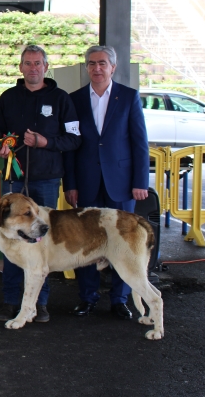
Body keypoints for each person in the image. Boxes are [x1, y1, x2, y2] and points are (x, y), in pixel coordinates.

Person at [0, 45, 81, 323]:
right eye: (27, 63)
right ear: (20, 67)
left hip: (46, 180)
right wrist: (0, 145)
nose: (33, 68)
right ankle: (10, 301)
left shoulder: (61, 98)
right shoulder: (8, 97)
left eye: (37, 63)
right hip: (14, 180)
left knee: (42, 244)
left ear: (46, 67)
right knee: (11, 242)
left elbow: (74, 139)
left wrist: (45, 142)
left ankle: (39, 304)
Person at [63, 45, 150, 320]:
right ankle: (87, 298)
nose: (96, 68)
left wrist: (140, 181)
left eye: (102, 63)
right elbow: (70, 146)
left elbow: (140, 143)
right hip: (87, 183)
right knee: (85, 243)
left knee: (122, 243)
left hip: (122, 184)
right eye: (91, 64)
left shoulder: (129, 97)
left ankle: (119, 299)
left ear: (113, 67)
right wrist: (70, 184)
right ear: (86, 68)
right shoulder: (74, 99)